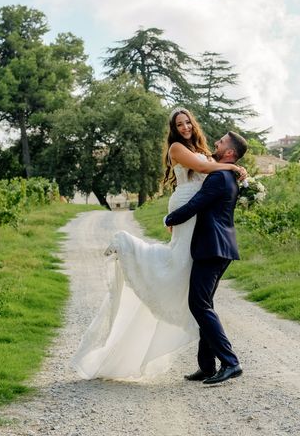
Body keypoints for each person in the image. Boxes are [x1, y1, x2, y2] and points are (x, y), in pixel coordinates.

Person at [72, 108, 247, 380]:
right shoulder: (180, 149)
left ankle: (224, 362)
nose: (186, 126)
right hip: (196, 224)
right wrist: (232, 166)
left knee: (199, 301)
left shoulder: (210, 160)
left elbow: (207, 167)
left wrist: (233, 166)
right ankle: (211, 364)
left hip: (207, 237)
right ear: (174, 129)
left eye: (188, 121)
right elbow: (202, 167)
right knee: (197, 295)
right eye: (180, 124)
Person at [164, 130, 248, 384]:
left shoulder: (220, 177)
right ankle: (207, 366)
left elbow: (195, 205)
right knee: (204, 304)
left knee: (198, 305)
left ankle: (230, 362)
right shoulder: (225, 173)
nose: (215, 144)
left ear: (230, 152)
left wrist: (170, 218)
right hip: (217, 247)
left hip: (213, 248)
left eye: (221, 142)